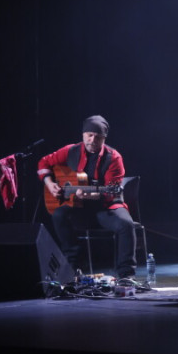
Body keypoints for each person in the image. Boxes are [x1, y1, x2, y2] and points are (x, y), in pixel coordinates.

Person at [38, 115, 137, 282]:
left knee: (126, 225)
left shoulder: (114, 157)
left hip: (106, 207)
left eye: (98, 137)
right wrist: (50, 183)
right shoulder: (70, 150)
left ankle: (126, 275)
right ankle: (72, 268)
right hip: (80, 208)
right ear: (83, 134)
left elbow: (111, 192)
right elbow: (44, 163)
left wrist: (91, 195)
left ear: (104, 138)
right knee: (59, 214)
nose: (93, 140)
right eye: (89, 135)